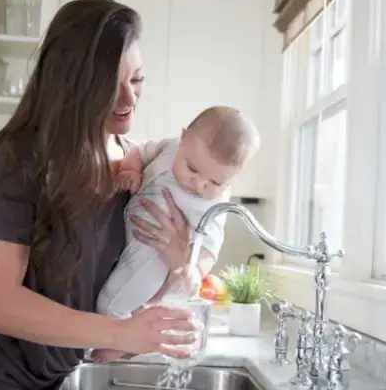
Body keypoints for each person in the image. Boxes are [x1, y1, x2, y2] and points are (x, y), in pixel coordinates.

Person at [0, 0, 200, 390]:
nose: (129, 99)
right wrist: (120, 333)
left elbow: (131, 282)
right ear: (74, 86)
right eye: (109, 86)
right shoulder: (24, 158)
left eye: (136, 79)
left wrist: (177, 270)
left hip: (52, 377)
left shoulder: (139, 168)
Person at [92, 106, 261, 362]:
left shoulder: (214, 206)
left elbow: (209, 249)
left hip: (152, 260)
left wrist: (191, 270)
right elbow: (141, 151)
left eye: (215, 183)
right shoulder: (167, 148)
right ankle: (124, 344)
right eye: (192, 169)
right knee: (121, 304)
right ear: (183, 139)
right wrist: (129, 170)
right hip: (127, 237)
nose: (199, 184)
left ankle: (113, 350)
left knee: (112, 303)